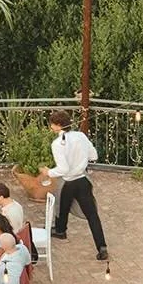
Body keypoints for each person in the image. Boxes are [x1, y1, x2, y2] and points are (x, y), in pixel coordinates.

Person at [43, 107, 107, 256]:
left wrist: (49, 172)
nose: (50, 126)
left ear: (58, 125)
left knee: (62, 204)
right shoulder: (81, 136)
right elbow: (94, 156)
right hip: (83, 180)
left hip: (69, 181)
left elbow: (63, 169)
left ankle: (60, 230)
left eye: (52, 124)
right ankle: (102, 247)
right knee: (92, 215)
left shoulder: (57, 143)